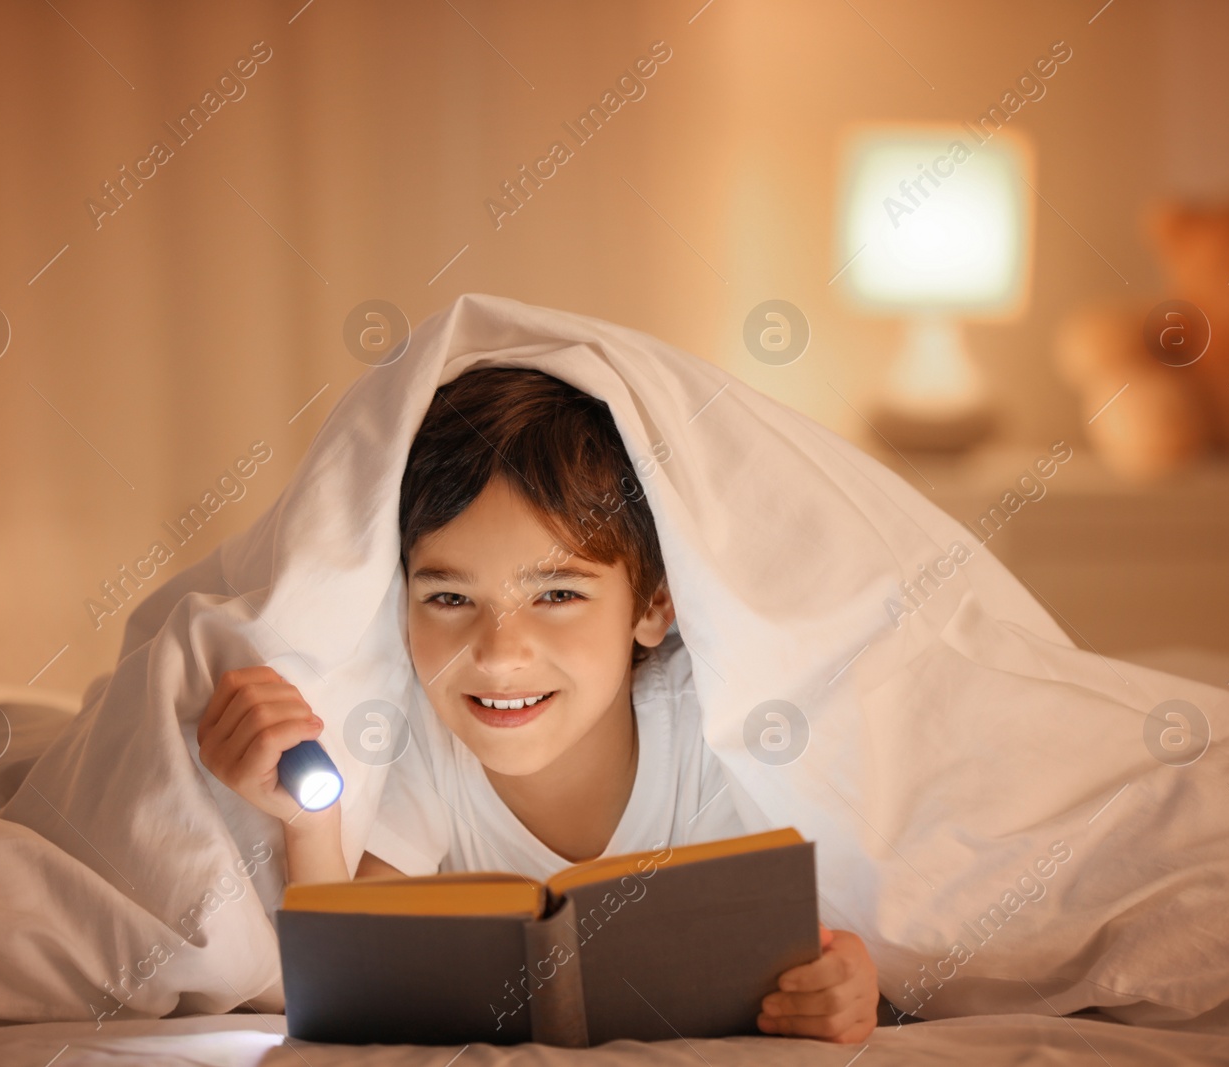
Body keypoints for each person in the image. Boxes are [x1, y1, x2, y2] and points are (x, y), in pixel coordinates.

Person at [197, 367, 878, 1043]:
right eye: (451, 598)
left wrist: (843, 978)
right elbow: (349, 982)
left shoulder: (712, 735)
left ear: (652, 606)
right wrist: (309, 822)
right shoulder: (424, 743)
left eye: (556, 595)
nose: (497, 654)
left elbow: (809, 945)